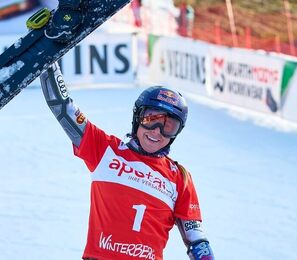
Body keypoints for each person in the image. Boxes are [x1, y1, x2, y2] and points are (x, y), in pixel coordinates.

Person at [39, 63, 214, 260]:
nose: (157, 131)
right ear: (137, 118)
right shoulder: (105, 150)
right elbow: (63, 108)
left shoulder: (180, 177)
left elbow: (196, 237)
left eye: (169, 126)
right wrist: (48, 63)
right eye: (151, 119)